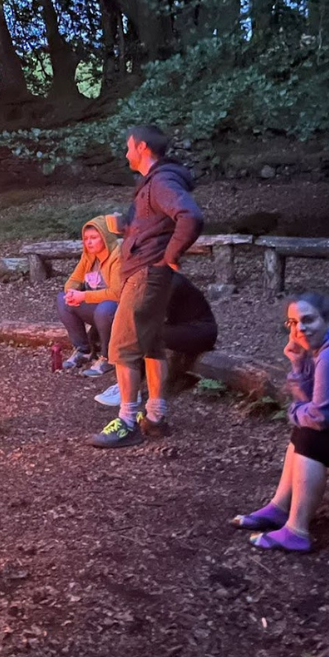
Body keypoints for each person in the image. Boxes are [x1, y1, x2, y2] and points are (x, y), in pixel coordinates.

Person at [91, 125, 204, 448]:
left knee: (122, 346)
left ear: (142, 148)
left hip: (147, 274)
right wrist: (126, 228)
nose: (126, 153)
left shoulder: (162, 181)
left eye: (129, 147)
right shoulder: (153, 185)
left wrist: (169, 257)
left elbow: (190, 216)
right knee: (151, 343)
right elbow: (156, 226)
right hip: (148, 272)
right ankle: (155, 416)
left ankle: (127, 421)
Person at [232, 293, 329, 552]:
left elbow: (321, 418)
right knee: (306, 431)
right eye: (292, 323)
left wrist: (295, 411)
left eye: (308, 320)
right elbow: (315, 404)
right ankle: (279, 509)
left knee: (310, 437)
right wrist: (298, 363)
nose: (299, 328)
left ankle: (297, 532)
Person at [93, 273, 218, 405]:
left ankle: (132, 389)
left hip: (200, 332)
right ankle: (126, 384)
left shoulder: (168, 283)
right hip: (180, 327)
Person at [57, 215, 123, 377]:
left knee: (105, 308)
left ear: (106, 238)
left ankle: (108, 358)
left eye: (94, 238)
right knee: (62, 300)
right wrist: (72, 292)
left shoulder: (117, 257)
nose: (89, 242)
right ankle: (83, 350)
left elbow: (116, 293)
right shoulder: (89, 256)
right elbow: (73, 280)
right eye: (86, 238)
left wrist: (84, 296)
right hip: (98, 307)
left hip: (120, 311)